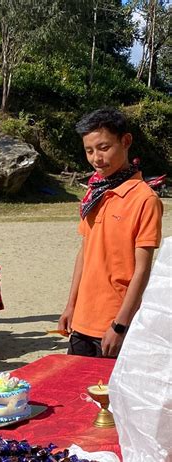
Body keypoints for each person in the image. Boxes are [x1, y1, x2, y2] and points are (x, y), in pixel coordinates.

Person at [58, 108, 163, 358]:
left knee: (108, 396)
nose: (96, 158)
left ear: (125, 142)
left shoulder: (144, 199)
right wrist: (71, 306)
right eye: (89, 150)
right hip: (82, 321)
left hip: (114, 324)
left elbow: (142, 269)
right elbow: (85, 253)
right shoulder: (95, 194)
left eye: (104, 147)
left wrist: (120, 325)